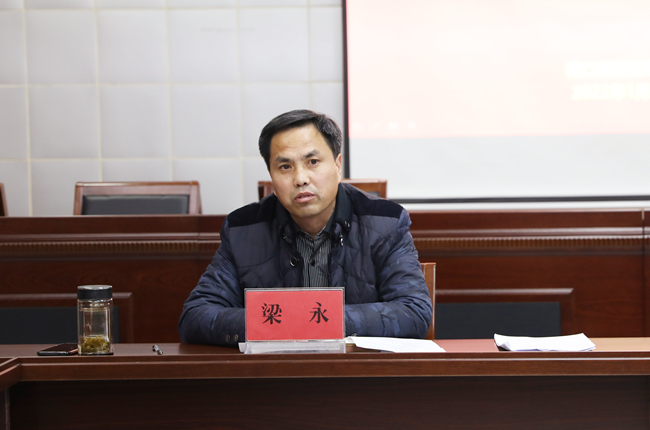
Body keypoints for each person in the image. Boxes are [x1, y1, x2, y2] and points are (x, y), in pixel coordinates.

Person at [178, 109, 432, 346]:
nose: (300, 179)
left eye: (313, 161)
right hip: (274, 373)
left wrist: (308, 321)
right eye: (285, 167)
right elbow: (196, 316)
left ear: (337, 165)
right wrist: (297, 322)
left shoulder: (385, 222)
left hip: (355, 373)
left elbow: (413, 312)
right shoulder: (243, 229)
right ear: (271, 175)